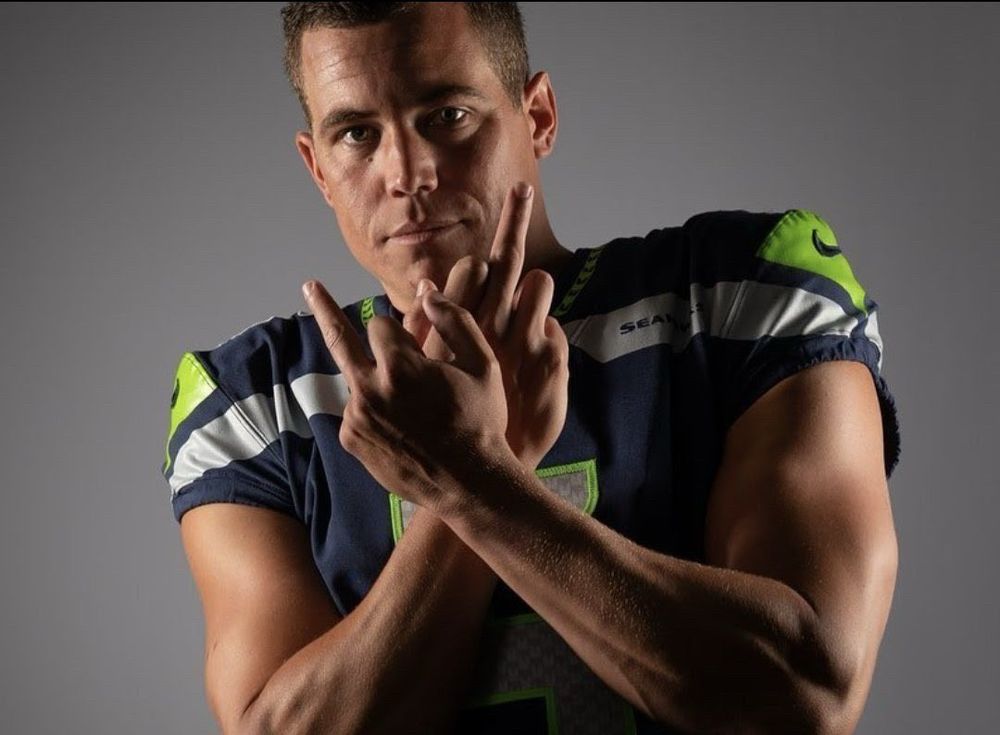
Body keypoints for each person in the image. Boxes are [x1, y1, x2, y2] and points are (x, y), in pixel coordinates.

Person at [161, 3, 902, 733]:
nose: (406, 173)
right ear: (318, 167)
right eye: (357, 134)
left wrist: (473, 477)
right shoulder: (255, 402)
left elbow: (803, 694)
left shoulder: (739, 294)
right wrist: (479, 469)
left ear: (538, 115)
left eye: (447, 116)